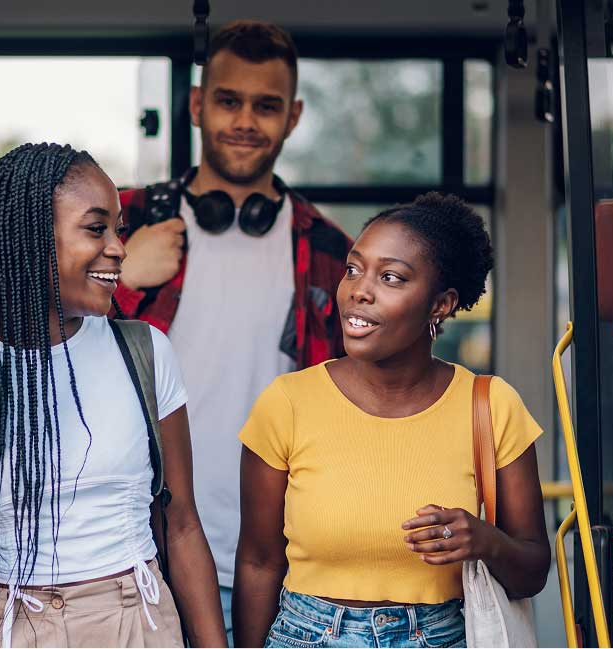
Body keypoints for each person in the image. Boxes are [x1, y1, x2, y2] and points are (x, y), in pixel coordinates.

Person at [0, 143, 226, 648]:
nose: (119, 247)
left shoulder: (145, 352)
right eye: (97, 229)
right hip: (10, 623)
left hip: (137, 621)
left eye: (117, 229)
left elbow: (180, 527)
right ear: (28, 239)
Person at [113, 20, 351, 639]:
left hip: (282, 561)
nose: (245, 120)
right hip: (138, 552)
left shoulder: (330, 251)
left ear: (292, 117)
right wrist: (120, 273)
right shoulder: (122, 221)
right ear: (196, 105)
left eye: (266, 106)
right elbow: (20, 329)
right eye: (228, 100)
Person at [235, 193, 551, 648]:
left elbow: (533, 571)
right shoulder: (287, 402)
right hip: (305, 636)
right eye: (353, 269)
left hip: (443, 636)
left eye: (390, 277)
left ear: (441, 305)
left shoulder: (492, 406)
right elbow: (259, 563)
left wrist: (484, 541)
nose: (359, 290)